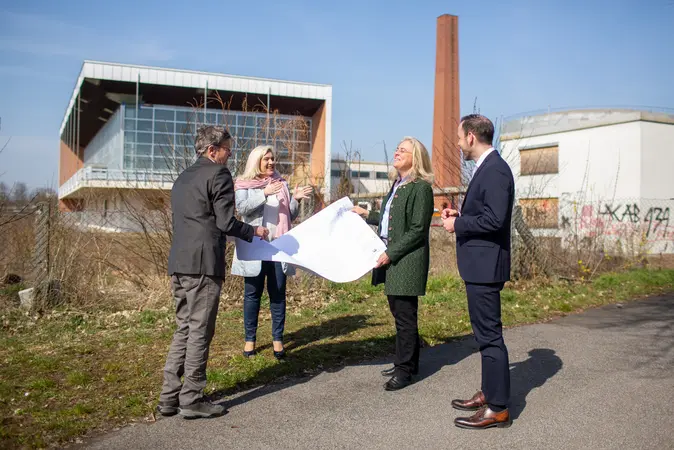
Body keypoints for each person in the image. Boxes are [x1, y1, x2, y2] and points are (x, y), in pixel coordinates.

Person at [158, 126, 269, 420]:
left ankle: (168, 398)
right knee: (200, 331)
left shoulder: (183, 178)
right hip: (204, 265)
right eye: (227, 151)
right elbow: (225, 222)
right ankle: (192, 398)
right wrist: (253, 230)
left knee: (184, 327)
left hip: (179, 263)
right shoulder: (217, 174)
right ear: (212, 150)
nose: (229, 158)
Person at [441, 114, 515, 429]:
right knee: (484, 335)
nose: (457, 143)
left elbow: (495, 220)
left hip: (485, 268)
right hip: (479, 267)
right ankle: (489, 392)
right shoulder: (487, 168)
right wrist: (462, 213)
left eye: (459, 137)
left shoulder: (495, 169)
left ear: (471, 136)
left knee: (490, 337)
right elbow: (485, 213)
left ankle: (497, 409)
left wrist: (457, 223)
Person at [352, 136, 434, 391]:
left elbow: (418, 229)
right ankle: (410, 362)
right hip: (393, 256)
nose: (397, 153)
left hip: (406, 259)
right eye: (397, 149)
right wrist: (367, 215)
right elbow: (392, 222)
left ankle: (404, 369)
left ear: (415, 158)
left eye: (403, 150)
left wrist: (391, 253)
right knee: (399, 313)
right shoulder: (398, 184)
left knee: (404, 316)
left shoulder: (420, 188)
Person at [231, 145, 313, 359]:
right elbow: (242, 209)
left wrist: (294, 198)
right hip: (255, 245)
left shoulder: (281, 182)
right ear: (256, 161)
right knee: (252, 294)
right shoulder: (243, 183)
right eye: (266, 159)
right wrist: (263, 193)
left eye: (273, 159)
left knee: (278, 294)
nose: (271, 163)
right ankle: (250, 339)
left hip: (278, 246)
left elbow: (289, 216)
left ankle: (278, 339)